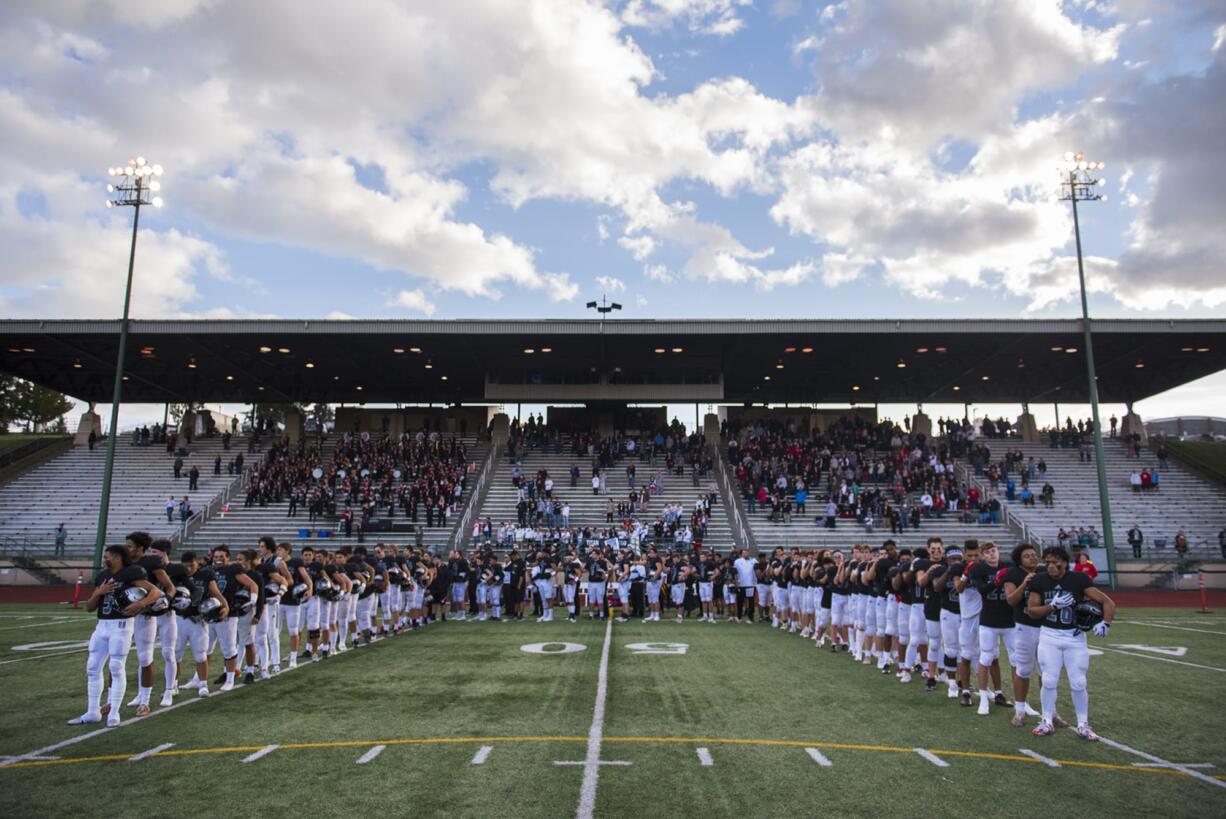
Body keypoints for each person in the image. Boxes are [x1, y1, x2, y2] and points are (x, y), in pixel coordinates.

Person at [68, 544, 162, 727]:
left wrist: (141, 604)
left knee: (116, 667)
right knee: (92, 667)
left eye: (107, 557)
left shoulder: (131, 573)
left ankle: (114, 713)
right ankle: (92, 712)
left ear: (118, 557)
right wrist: (98, 592)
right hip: (102, 625)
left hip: (121, 625)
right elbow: (89, 607)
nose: (104, 560)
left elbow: (156, 592)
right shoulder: (102, 577)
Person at [1028, 545, 1115, 740]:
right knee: (1049, 680)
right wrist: (1052, 606)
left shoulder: (1078, 579)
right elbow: (1032, 611)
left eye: (1054, 562)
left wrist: (1106, 623)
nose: (1050, 566)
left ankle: (1083, 724)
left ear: (1064, 563)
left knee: (1079, 682)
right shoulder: (1040, 580)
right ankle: (1046, 721)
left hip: (1074, 637)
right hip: (1049, 635)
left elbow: (1108, 602)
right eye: (1047, 562)